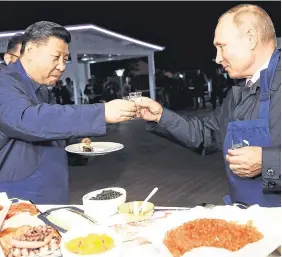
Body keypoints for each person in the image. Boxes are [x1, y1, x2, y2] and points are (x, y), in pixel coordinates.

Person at [136, 4, 281, 207]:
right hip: (250, 219)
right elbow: (207, 134)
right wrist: (160, 116)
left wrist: (269, 163)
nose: (218, 58)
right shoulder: (240, 90)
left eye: (222, 46)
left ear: (251, 38)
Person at [0, 21, 137, 204]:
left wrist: (75, 141)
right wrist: (101, 112)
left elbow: (50, 124)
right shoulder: (5, 81)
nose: (62, 67)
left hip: (51, 191)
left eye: (65, 60)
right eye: (56, 57)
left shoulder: (40, 87)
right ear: (31, 50)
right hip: (18, 199)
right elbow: (27, 119)